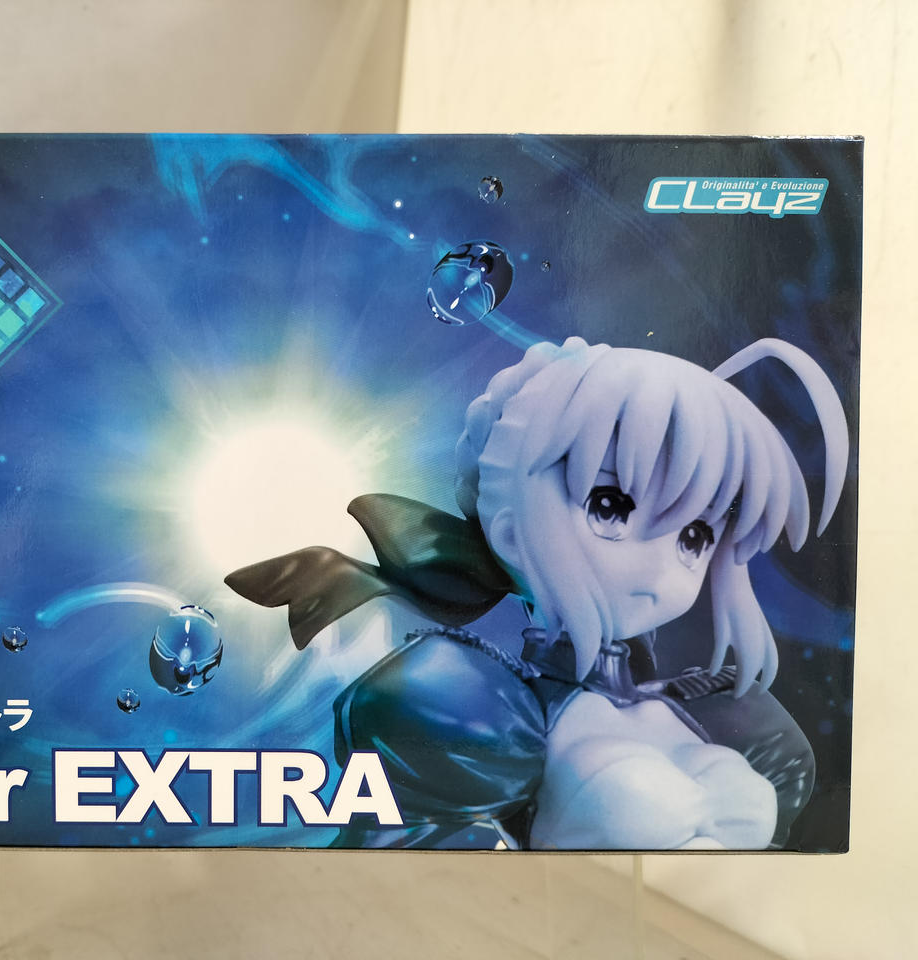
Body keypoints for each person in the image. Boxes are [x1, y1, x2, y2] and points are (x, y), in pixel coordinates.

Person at [226, 336, 848, 849]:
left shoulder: (732, 719)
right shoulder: (480, 710)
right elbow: (386, 885)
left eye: (694, 535)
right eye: (610, 506)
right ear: (508, 529)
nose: (661, 567)